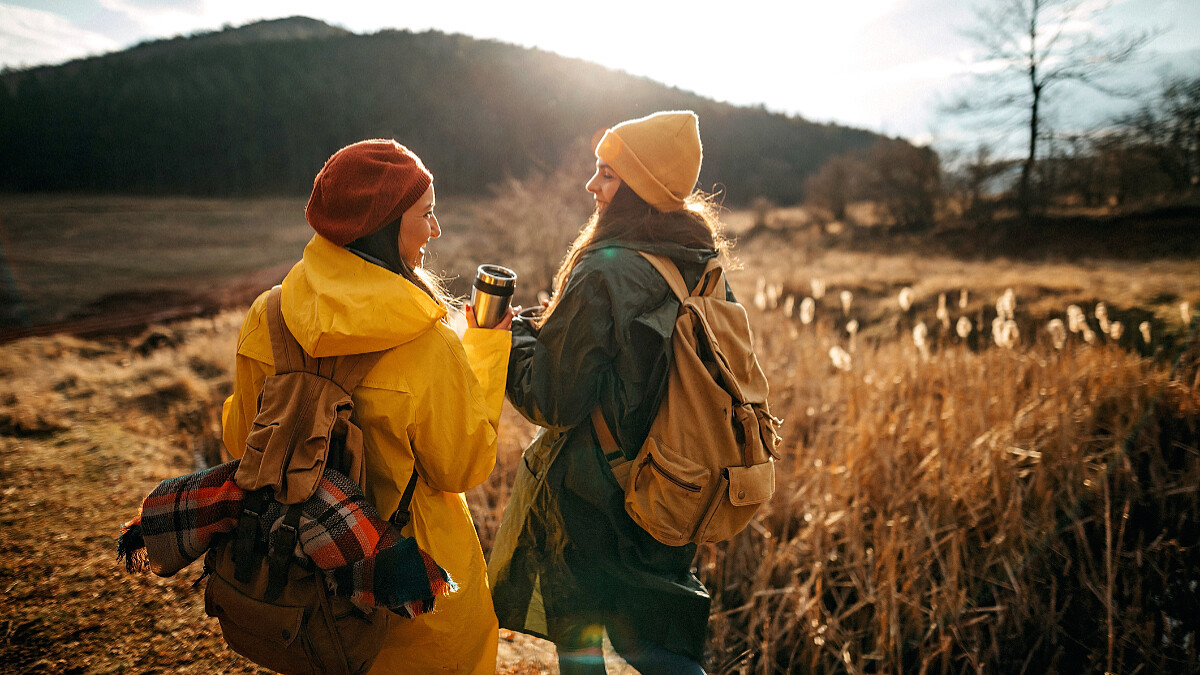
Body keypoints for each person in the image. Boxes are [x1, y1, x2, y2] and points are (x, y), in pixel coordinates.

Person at [221, 139, 513, 675]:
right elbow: (463, 466)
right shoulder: (430, 345)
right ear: (383, 227)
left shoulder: (267, 315)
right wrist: (488, 349)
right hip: (413, 600)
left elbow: (242, 445)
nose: (436, 230)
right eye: (426, 214)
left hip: (301, 588)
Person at [489, 111, 730, 675]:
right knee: (654, 638)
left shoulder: (604, 268)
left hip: (595, 492)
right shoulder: (699, 257)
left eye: (607, 174)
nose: (591, 185)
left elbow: (553, 399)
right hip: (673, 479)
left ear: (640, 187)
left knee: (583, 638)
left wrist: (512, 339)